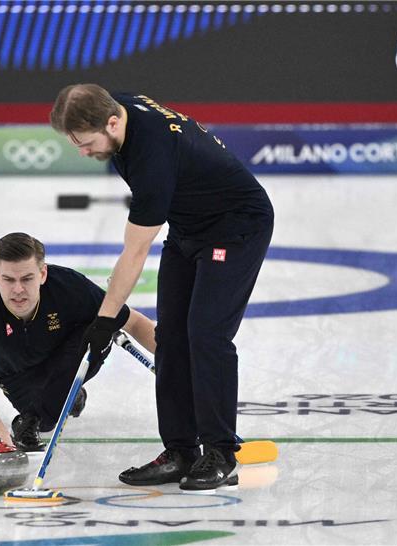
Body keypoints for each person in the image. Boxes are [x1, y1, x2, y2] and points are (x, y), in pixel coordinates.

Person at [50, 84, 274, 492]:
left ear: (112, 123)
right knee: (170, 338)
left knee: (206, 334)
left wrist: (105, 321)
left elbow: (134, 252)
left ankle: (220, 452)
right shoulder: (116, 106)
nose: (82, 152)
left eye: (86, 144)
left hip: (236, 225)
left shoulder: (150, 157)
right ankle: (181, 451)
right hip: (188, 226)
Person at [0, 232, 157, 451]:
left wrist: (178, 362)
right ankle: (69, 396)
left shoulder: (67, 285)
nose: (18, 290)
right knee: (44, 422)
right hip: (15, 373)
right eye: (8, 279)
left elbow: (134, 322)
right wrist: (0, 434)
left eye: (27, 279)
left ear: (42, 274)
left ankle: (63, 394)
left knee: (101, 329)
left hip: (65, 356)